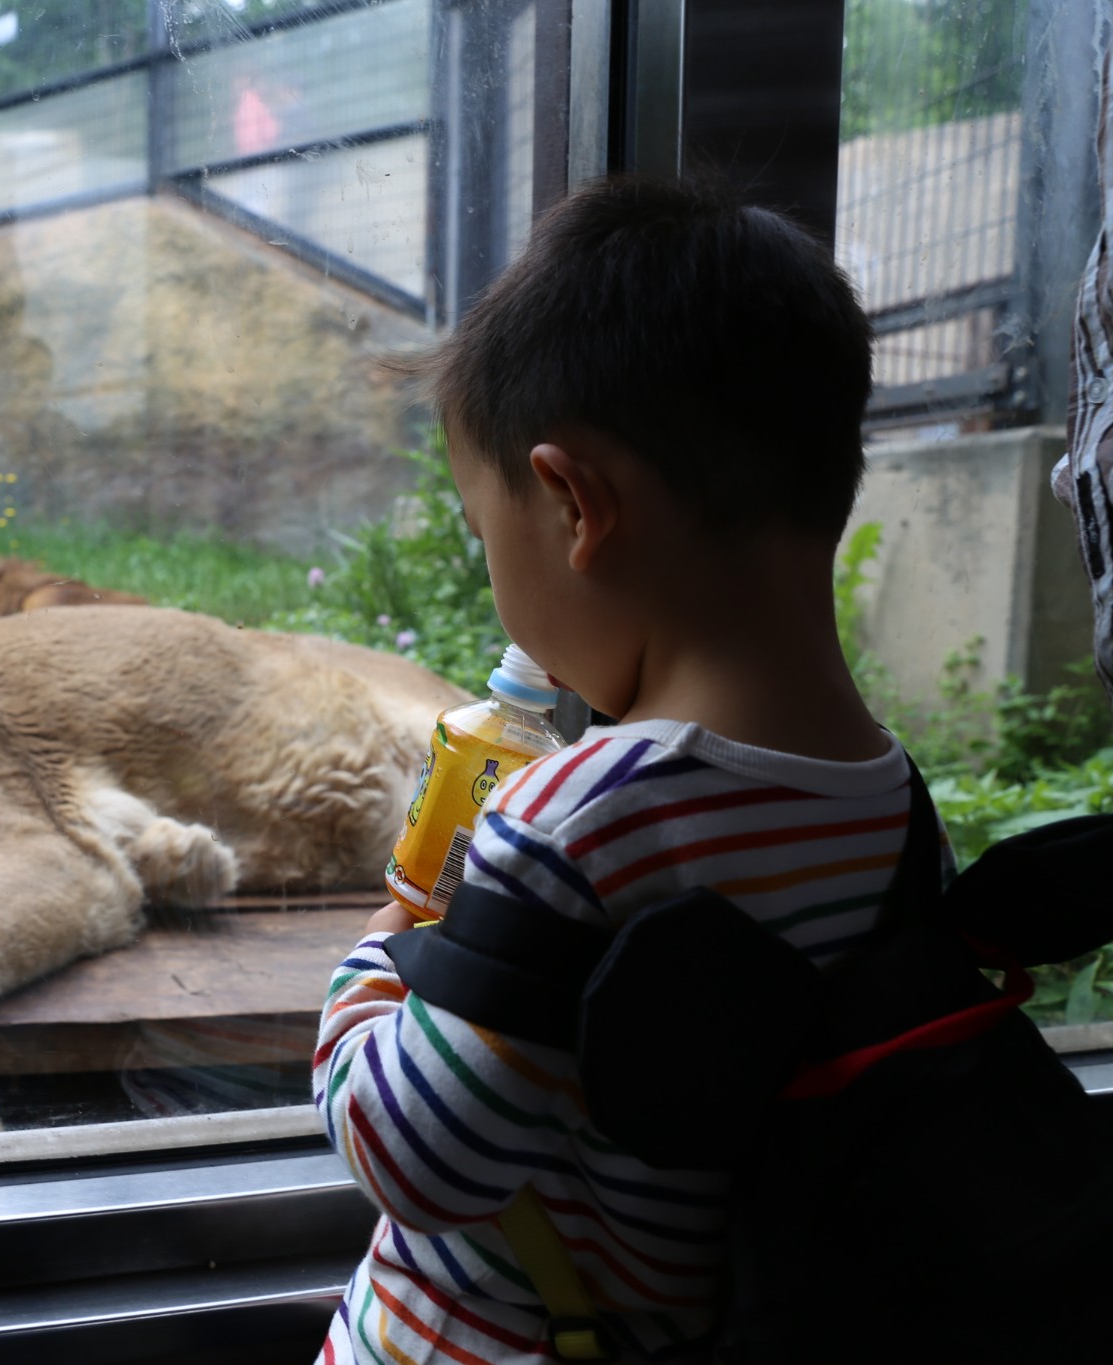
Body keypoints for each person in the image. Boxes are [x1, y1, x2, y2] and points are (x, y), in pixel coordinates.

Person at [313, 175, 948, 1363]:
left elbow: (408, 1155)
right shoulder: (896, 810)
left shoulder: (581, 820)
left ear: (571, 504)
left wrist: (394, 933)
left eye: (484, 532)